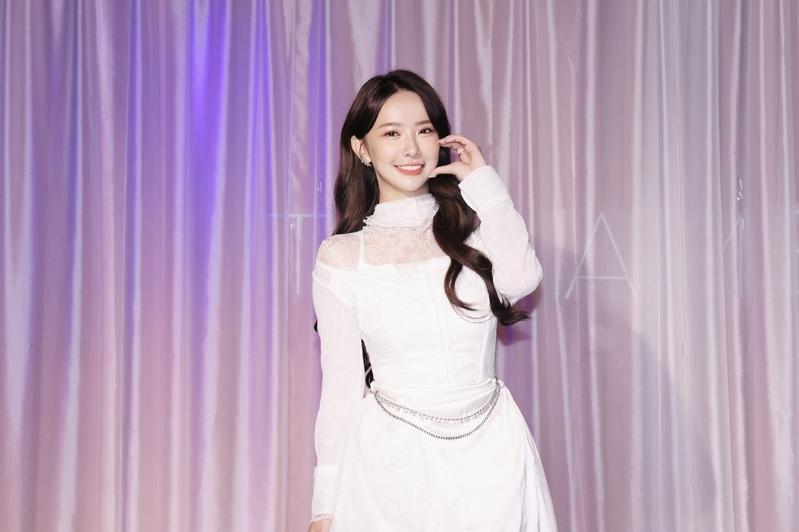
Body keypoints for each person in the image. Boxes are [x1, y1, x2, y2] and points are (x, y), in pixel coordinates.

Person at [308, 69, 557, 531]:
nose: (411, 148)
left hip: (491, 460)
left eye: (424, 131)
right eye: (391, 133)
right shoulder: (341, 258)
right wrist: (324, 506)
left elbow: (524, 276)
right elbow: (341, 390)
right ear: (362, 148)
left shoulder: (475, 236)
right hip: (390, 470)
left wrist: (484, 183)